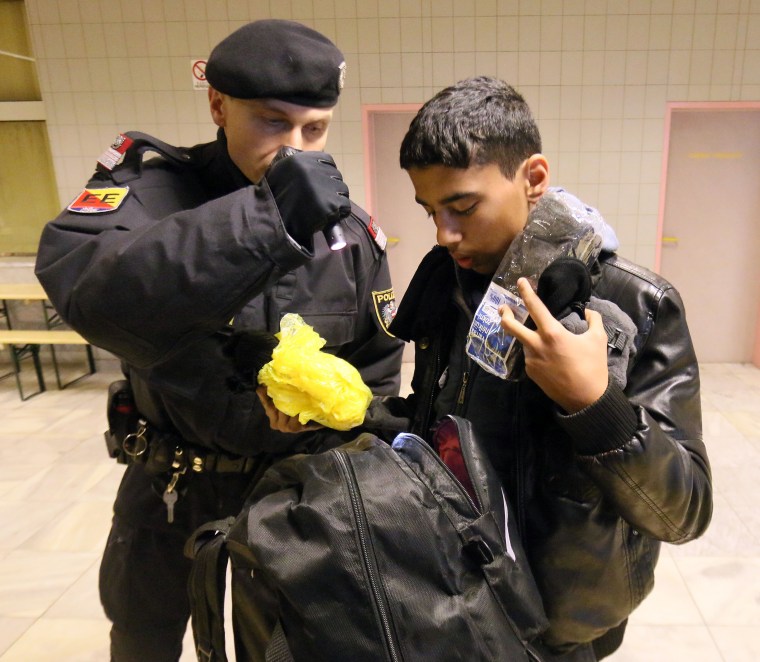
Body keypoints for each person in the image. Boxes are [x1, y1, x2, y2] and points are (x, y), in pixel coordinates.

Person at [259, 76, 713, 661]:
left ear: (533, 179)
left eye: (463, 207)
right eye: (430, 212)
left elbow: (685, 511)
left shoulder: (635, 303)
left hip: (560, 628)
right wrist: (339, 416)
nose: (445, 235)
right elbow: (434, 435)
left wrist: (594, 404)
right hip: (452, 597)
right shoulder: (450, 287)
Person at [34, 19, 403, 662]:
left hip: (295, 492)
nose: (294, 148)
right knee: (143, 639)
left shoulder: (349, 235)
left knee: (287, 646)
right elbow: (87, 290)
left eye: (313, 129)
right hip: (172, 487)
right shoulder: (146, 195)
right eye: (271, 122)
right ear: (217, 106)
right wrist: (266, 218)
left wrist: (334, 418)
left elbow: (375, 365)